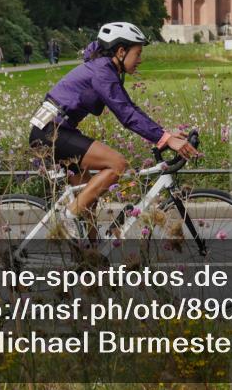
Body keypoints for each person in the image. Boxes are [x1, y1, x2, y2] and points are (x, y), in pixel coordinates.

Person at [29, 22, 199, 240]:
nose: (140, 60)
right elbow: (126, 113)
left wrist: (165, 135)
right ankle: (68, 215)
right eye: (137, 54)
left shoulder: (102, 68)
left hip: (53, 131)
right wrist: (164, 138)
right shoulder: (102, 71)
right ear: (121, 51)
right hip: (51, 134)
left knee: (87, 199)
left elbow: (129, 107)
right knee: (117, 164)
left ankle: (89, 259)